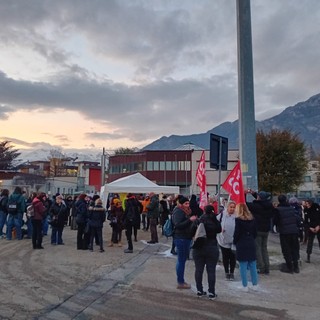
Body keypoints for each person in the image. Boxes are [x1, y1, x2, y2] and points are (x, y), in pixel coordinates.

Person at [192, 205, 221, 300]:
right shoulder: (214, 221)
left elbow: (191, 231)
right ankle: (211, 292)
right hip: (212, 246)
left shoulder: (199, 220)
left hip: (198, 247)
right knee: (211, 271)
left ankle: (199, 290)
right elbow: (219, 230)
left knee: (198, 269)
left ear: (204, 211)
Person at [246, 190, 276, 275]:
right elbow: (262, 201)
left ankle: (261, 267)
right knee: (264, 248)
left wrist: (244, 194)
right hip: (266, 230)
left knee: (258, 248)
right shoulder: (269, 206)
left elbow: (245, 203)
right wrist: (254, 194)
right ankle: (267, 267)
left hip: (257, 229)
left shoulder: (256, 206)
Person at [172, 196, 197, 289]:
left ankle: (180, 280)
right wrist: (189, 220)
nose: (187, 205)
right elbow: (178, 225)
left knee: (181, 260)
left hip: (186, 237)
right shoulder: (178, 211)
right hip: (181, 237)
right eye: (185, 203)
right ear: (181, 204)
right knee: (181, 260)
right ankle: (180, 282)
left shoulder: (186, 211)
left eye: (188, 203)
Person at [233, 203, 258, 292]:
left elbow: (237, 233)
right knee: (253, 264)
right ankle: (255, 284)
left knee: (242, 265)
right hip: (251, 241)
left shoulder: (238, 220)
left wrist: (235, 241)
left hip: (242, 242)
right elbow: (255, 232)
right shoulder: (253, 219)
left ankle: (245, 285)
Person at [274, 195, 301, 273]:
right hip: (294, 231)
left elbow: (275, 221)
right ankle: (296, 267)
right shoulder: (291, 208)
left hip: (284, 232)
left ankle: (289, 267)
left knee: (286, 250)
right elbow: (297, 218)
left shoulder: (278, 210)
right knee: (294, 249)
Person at [217, 201, 237, 280]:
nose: (232, 209)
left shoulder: (237, 216)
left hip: (233, 240)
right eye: (231, 207)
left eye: (233, 207)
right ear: (227, 207)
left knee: (232, 257)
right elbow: (216, 222)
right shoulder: (222, 214)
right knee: (225, 257)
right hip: (223, 240)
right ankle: (226, 272)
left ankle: (232, 272)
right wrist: (220, 229)